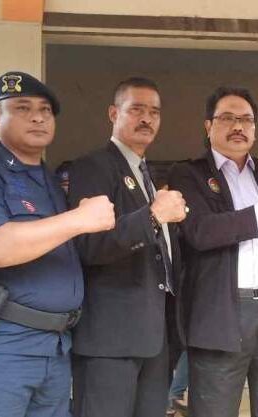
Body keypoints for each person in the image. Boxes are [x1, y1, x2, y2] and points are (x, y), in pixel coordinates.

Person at [0, 71, 115, 417]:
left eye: (45, 110)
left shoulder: (50, 181)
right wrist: (79, 219)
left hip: (55, 347)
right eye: (22, 108)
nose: (38, 117)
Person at [167, 86, 258, 417]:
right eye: (227, 118)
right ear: (208, 126)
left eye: (246, 119)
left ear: (255, 128)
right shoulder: (188, 175)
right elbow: (201, 232)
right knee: (214, 408)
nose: (238, 126)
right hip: (222, 310)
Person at [67, 77, 186, 417]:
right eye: (136, 109)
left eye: (154, 112)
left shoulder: (146, 174)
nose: (146, 119)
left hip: (154, 337)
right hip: (110, 339)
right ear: (113, 113)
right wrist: (153, 216)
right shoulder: (93, 166)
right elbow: (89, 245)